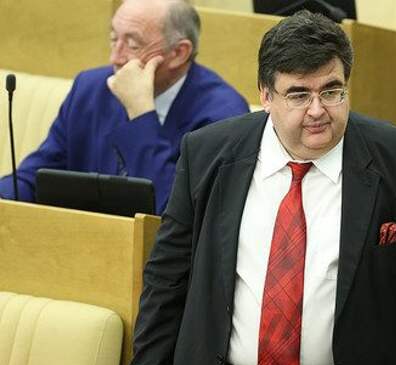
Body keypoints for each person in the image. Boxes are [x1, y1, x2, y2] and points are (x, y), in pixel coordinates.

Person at [128, 10, 396, 365]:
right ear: (265, 95)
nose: (318, 110)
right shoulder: (207, 153)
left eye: (332, 91)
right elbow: (168, 275)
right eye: (299, 95)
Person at [0, 0, 248, 214]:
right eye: (113, 39)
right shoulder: (90, 89)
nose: (115, 58)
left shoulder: (223, 115)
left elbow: (174, 213)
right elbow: (35, 177)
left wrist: (141, 114)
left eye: (133, 45)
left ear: (178, 53)